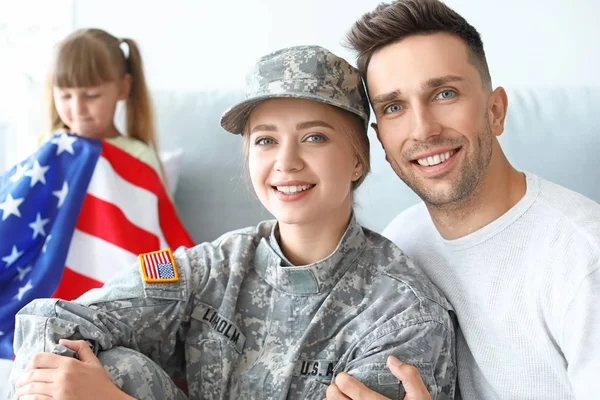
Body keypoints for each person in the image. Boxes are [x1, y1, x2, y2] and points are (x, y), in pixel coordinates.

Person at [8, 45, 457, 400]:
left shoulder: (402, 315)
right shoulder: (213, 267)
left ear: (358, 160)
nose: (286, 162)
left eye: (314, 137)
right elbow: (53, 319)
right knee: (92, 368)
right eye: (265, 140)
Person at [326, 0, 600, 399]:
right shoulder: (401, 245)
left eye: (444, 93)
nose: (423, 129)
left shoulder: (583, 263)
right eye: (394, 107)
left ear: (495, 110)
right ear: (380, 139)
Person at [42, 28, 167, 184]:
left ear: (123, 88)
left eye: (91, 96)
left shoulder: (139, 158)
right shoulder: (48, 146)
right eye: (65, 96)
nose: (78, 109)